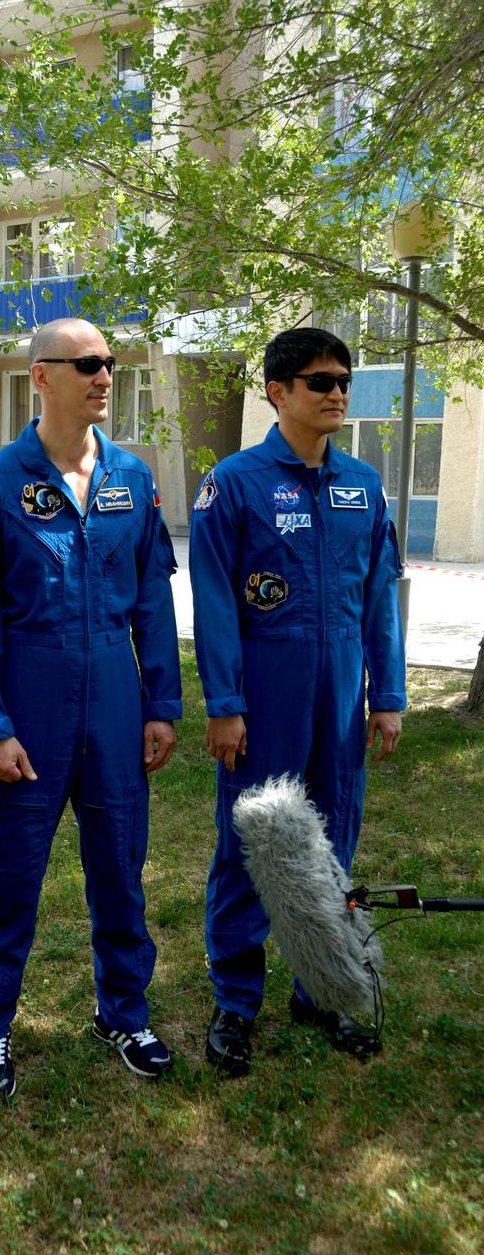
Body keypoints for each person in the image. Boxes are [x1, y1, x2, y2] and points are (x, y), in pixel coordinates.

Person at [0, 317, 182, 1096]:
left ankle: (123, 1010)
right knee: (9, 876)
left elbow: (151, 598)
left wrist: (160, 703)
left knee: (120, 865)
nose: (104, 375)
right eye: (86, 363)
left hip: (115, 696)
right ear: (41, 377)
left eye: (110, 362)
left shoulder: (132, 479)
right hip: (32, 697)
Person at [189, 327, 406, 1077]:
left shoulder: (364, 487)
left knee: (332, 840)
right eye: (319, 381)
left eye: (343, 379)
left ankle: (323, 990)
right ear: (277, 392)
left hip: (341, 695)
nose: (337, 392)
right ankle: (235, 1003)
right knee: (254, 845)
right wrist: (224, 702)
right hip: (267, 695)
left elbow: (380, 597)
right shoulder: (236, 484)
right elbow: (215, 601)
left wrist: (390, 695)